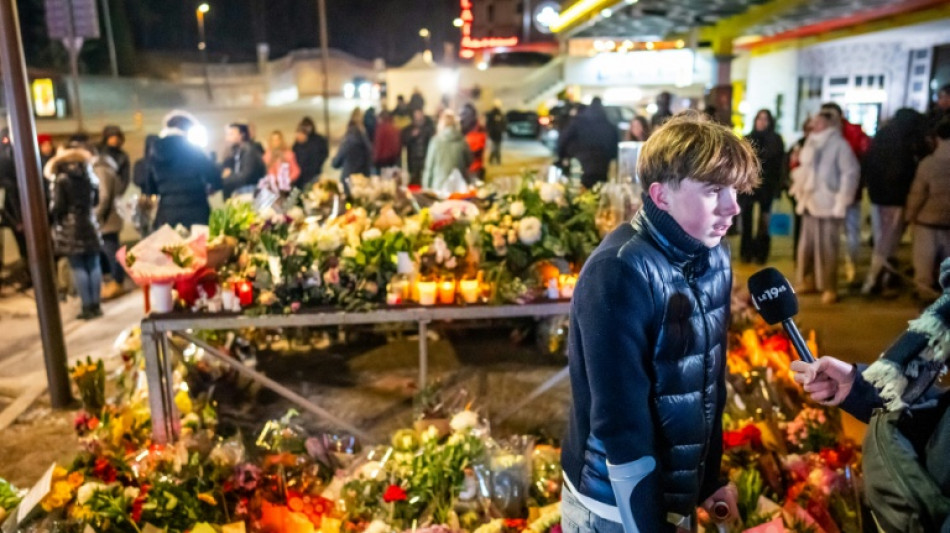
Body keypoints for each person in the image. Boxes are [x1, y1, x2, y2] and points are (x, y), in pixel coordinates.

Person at [562, 112, 759, 533]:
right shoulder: (617, 272)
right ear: (660, 195)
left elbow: (709, 382)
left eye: (734, 189)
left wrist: (709, 480)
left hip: (674, 496)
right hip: (615, 507)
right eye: (713, 191)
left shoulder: (714, 255)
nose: (733, 207)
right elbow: (620, 424)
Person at [789, 111, 860, 304]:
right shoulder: (810, 142)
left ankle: (829, 286)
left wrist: (842, 200)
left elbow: (850, 174)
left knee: (828, 248)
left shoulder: (839, 145)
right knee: (807, 247)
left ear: (829, 125)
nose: (815, 125)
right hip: (810, 202)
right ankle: (808, 280)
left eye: (819, 122)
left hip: (829, 203)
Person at [860, 108, 928, 295]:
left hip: (877, 197)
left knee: (883, 240)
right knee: (887, 242)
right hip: (895, 199)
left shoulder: (882, 136)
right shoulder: (906, 142)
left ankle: (883, 279)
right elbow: (903, 171)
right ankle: (875, 280)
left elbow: (868, 163)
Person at [46, 143, 103, 319]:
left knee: (78, 266)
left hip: (70, 228)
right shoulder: (89, 177)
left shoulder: (61, 179)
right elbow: (95, 202)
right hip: (89, 223)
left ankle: (86, 307)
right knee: (93, 264)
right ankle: (96, 305)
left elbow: (57, 206)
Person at [146, 111, 221, 229]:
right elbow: (214, 177)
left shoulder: (154, 151)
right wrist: (211, 187)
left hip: (167, 211)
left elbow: (150, 186)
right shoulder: (194, 149)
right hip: (197, 210)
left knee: (170, 246)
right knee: (198, 246)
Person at [821, 103, 869, 284]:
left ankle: (851, 267)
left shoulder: (853, 134)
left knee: (850, 232)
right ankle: (834, 270)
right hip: (828, 195)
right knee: (833, 234)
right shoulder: (824, 133)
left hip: (848, 194)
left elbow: (857, 165)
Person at [905, 118, 950, 300]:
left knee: (923, 270)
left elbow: (918, 195)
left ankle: (925, 304)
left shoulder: (928, 164)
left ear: (937, 139)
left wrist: (909, 217)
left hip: (927, 223)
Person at [740, 109, 785, 264]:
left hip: (767, 186)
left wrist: (778, 187)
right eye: (759, 118)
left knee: (764, 222)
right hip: (748, 186)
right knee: (747, 220)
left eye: (765, 119)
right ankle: (746, 252)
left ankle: (761, 252)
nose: (762, 122)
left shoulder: (776, 140)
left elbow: (780, 165)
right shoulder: (747, 138)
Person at [557, 97, 619, 189]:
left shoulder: (579, 121)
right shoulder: (608, 124)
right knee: (598, 195)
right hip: (601, 168)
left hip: (579, 165)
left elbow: (563, 139)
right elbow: (614, 148)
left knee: (580, 196)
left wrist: (563, 156)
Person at [92, 146, 128, 300]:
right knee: (112, 249)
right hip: (111, 217)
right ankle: (117, 282)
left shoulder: (100, 170)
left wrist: (95, 214)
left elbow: (104, 196)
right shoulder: (108, 168)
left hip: (107, 219)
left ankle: (117, 282)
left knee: (111, 250)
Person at [422, 110, 471, 191]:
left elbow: (429, 168)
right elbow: (469, 162)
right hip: (458, 187)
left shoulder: (435, 141)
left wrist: (426, 188)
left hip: (439, 187)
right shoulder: (462, 141)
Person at [222, 123, 266, 198]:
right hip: (243, 189)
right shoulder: (237, 151)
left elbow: (245, 176)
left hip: (250, 190)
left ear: (241, 135)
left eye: (231, 134)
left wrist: (225, 179)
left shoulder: (249, 151)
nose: (227, 138)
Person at [332, 113, 373, 193]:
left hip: (348, 179)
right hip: (363, 178)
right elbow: (370, 157)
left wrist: (333, 160)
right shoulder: (365, 140)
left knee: (349, 203)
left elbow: (336, 162)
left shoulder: (347, 141)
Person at [401, 108, 435, 187]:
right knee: (414, 182)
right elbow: (404, 141)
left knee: (423, 181)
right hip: (413, 161)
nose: (418, 117)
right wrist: (411, 135)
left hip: (425, 159)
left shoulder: (428, 128)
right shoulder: (409, 129)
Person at [292, 118, 329, 190]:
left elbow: (322, 155)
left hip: (311, 176)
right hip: (300, 178)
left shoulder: (316, 142)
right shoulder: (297, 145)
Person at [460, 103, 487, 181]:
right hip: (465, 170)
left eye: (463, 115)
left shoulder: (478, 132)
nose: (461, 118)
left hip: (474, 170)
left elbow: (475, 153)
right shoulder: (464, 131)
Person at [98, 125, 130, 191]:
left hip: (114, 190)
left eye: (117, 138)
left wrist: (119, 192)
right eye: (111, 137)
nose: (114, 140)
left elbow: (125, 178)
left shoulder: (122, 156)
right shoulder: (97, 151)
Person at [485, 100, 507, 165]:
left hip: (497, 133)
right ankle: (494, 160)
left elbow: (503, 123)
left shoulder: (499, 114)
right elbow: (489, 124)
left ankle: (497, 160)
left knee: (496, 147)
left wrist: (503, 129)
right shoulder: (493, 114)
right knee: (495, 147)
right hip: (495, 133)